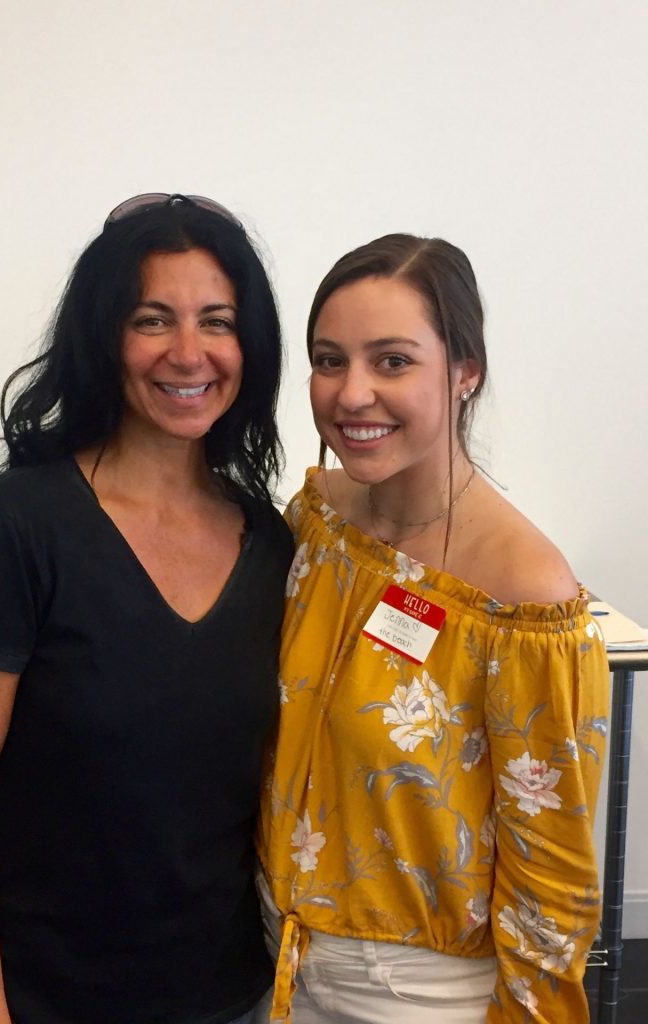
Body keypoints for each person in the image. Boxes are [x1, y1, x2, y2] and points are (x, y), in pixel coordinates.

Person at [0, 193, 294, 1024]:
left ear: (250, 344)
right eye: (152, 319)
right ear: (103, 336)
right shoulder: (16, 524)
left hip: (222, 998)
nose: (189, 353)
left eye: (217, 321)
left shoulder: (271, 542)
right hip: (31, 999)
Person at [257, 233, 609, 1023]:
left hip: (411, 993)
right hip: (273, 953)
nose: (351, 394)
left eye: (391, 361)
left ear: (464, 372)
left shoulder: (522, 594)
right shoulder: (318, 520)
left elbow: (551, 873)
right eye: (328, 359)